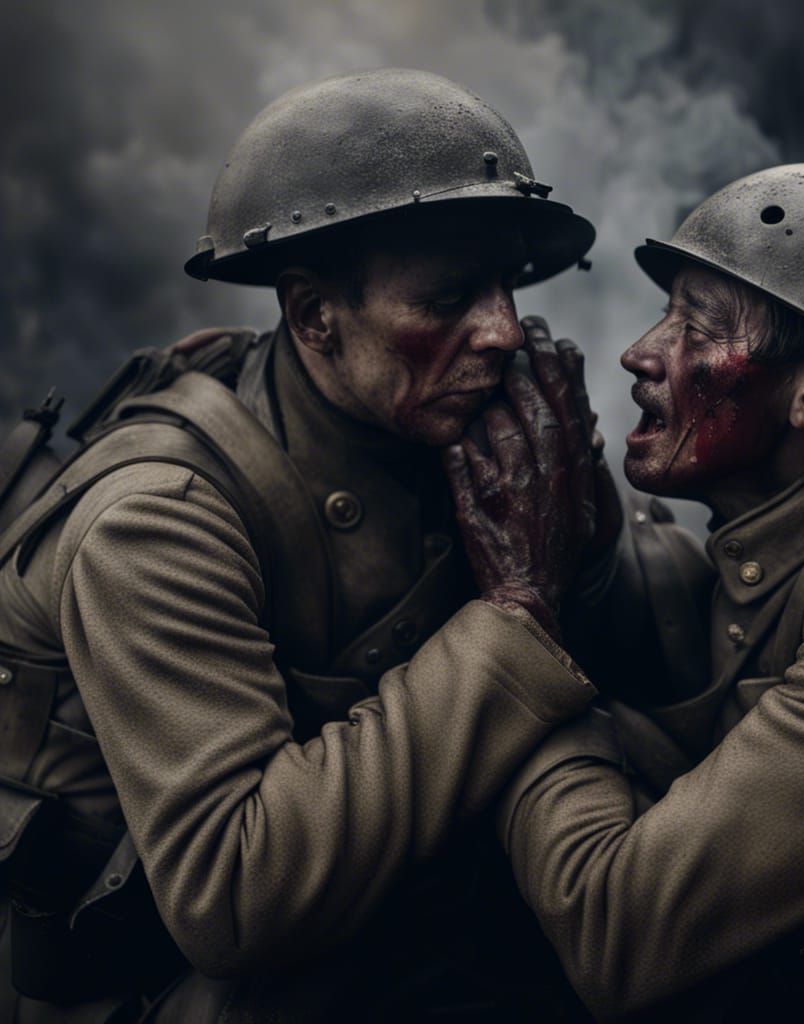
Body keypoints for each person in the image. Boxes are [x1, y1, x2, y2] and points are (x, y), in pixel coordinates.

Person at [0, 69, 710, 1022]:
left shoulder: (436, 419)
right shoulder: (159, 516)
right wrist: (518, 613)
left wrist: (577, 529)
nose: (502, 330)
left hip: (402, 924)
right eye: (450, 297)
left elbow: (647, 658)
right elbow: (235, 896)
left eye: (506, 287)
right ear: (313, 317)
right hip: (170, 988)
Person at [446, 163, 804, 1021]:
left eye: (697, 328)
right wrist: (591, 536)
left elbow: (620, 934)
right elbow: (718, 677)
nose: (641, 352)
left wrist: (521, 642)